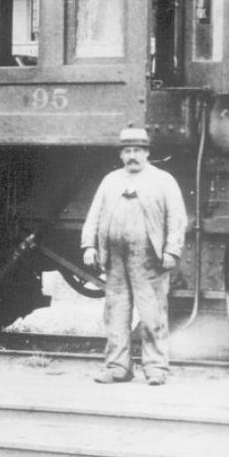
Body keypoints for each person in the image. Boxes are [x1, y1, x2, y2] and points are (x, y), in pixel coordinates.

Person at [81, 126, 187, 385]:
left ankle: (156, 368)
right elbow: (94, 214)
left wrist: (172, 249)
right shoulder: (110, 180)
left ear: (147, 152)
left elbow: (177, 217)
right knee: (116, 312)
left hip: (149, 258)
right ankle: (118, 367)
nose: (132, 155)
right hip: (115, 258)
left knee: (152, 313)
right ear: (120, 154)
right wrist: (89, 246)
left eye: (137, 150)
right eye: (127, 150)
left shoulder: (163, 180)